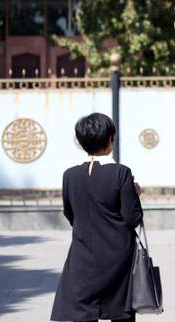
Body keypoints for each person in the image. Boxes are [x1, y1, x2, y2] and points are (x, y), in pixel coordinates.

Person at [52, 113, 143, 322]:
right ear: (110, 139)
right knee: (121, 313)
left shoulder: (69, 175)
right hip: (118, 259)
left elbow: (70, 214)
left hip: (82, 256)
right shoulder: (121, 173)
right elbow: (132, 218)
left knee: (83, 313)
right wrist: (135, 194)